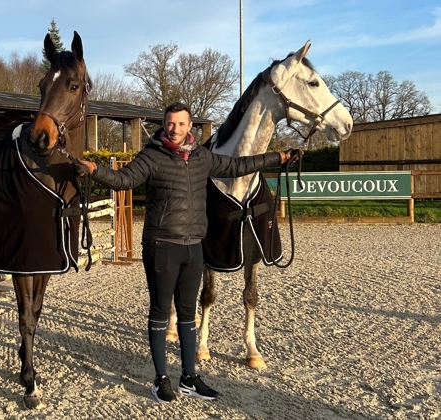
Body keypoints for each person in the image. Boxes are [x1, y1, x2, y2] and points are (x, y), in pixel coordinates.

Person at [75, 102, 298, 404]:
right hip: (162, 245)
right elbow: (124, 180)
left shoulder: (202, 157)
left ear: (189, 127)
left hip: (195, 246)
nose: (175, 129)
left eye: (181, 124)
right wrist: (94, 170)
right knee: (158, 313)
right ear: (164, 125)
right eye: (170, 124)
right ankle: (161, 378)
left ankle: (189, 377)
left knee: (187, 315)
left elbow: (238, 167)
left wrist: (279, 157)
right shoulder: (152, 155)